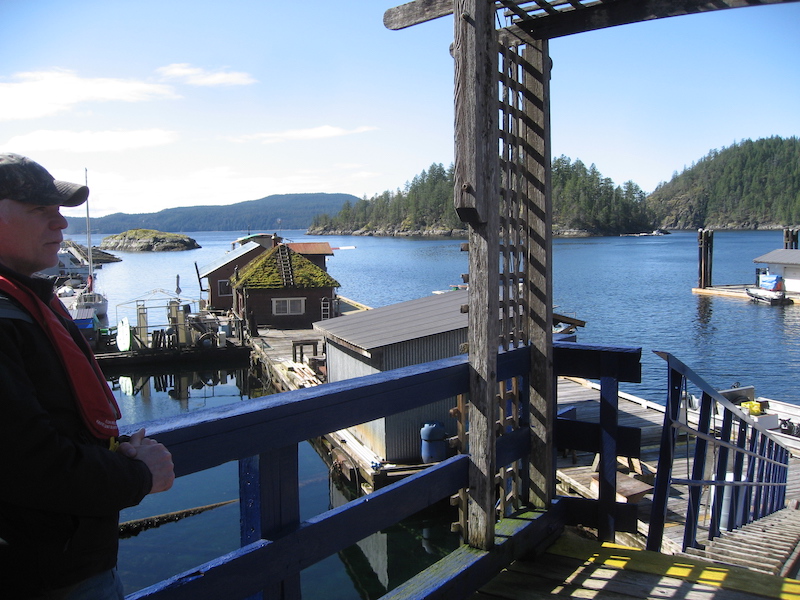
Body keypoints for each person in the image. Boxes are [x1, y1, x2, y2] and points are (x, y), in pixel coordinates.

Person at [0, 153, 175, 599]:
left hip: (61, 564)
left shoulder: (22, 301)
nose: (61, 226)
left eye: (59, 213)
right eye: (40, 211)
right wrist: (139, 476)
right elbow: (29, 466)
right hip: (40, 576)